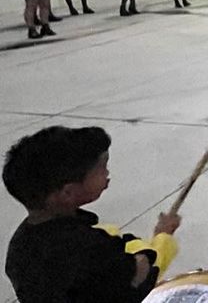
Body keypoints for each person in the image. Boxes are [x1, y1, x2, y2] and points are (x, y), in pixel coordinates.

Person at [3, 126, 181, 303]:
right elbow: (143, 273)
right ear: (67, 193)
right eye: (102, 167)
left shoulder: (19, 245)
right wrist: (162, 237)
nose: (107, 173)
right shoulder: (91, 250)